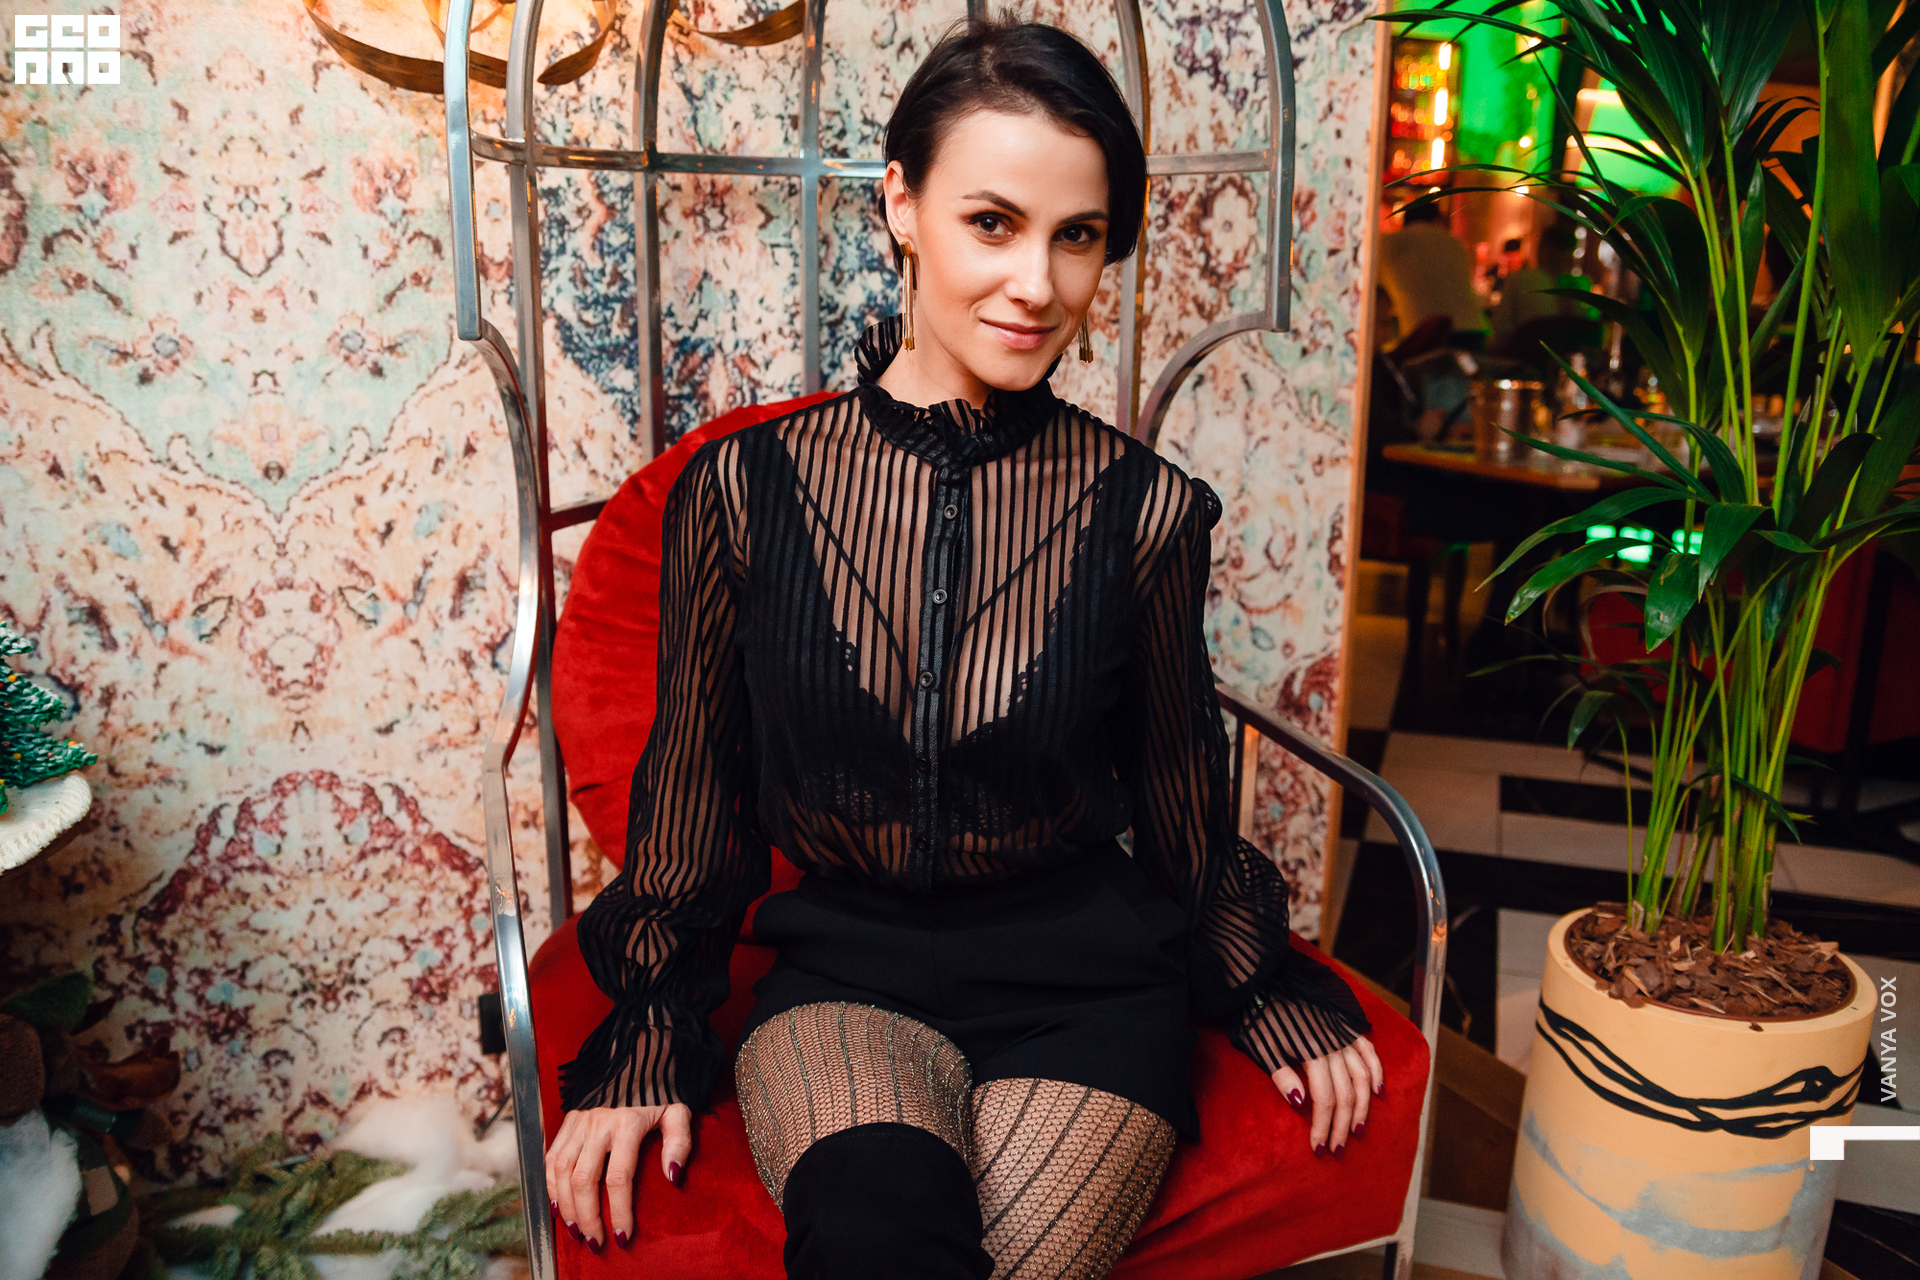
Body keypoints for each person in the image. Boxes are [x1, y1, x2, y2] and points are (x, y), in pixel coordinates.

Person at [545, 18, 1382, 1279]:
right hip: (843, 978)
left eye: (1077, 236)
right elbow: (695, 793)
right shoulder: (744, 490)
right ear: (904, 204)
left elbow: (1178, 797)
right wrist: (652, 1034)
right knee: (876, 1241)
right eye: (993, 222)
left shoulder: (1145, 512)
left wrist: (1263, 982)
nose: (1037, 282)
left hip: (1085, 989)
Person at [1376, 200, 1489, 353]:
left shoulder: (1390, 242)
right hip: (1473, 331)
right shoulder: (1454, 243)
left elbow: (1376, 288)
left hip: (1425, 335)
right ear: (1436, 219)